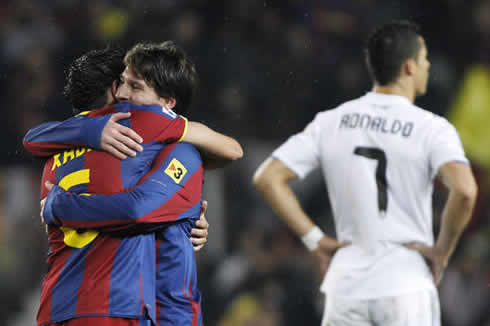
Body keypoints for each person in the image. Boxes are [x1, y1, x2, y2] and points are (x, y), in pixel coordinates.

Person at [253, 20, 477, 326]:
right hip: (405, 282)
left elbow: (268, 177)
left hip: (346, 284)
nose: (428, 66)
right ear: (409, 67)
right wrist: (442, 251)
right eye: (424, 60)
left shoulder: (332, 121)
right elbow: (465, 191)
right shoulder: (432, 128)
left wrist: (314, 239)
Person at [24, 42, 242, 326]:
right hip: (120, 307)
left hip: (55, 308)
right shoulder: (149, 132)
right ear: (114, 88)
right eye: (124, 85)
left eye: (135, 87)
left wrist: (60, 204)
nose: (126, 95)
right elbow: (139, 210)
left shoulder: (52, 157)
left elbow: (30, 139)